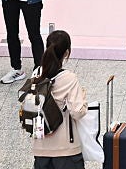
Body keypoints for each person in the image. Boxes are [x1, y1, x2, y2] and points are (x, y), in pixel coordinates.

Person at [32, 30, 89, 169]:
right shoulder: (69, 78)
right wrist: (84, 99)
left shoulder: (37, 73)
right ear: (67, 53)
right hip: (65, 149)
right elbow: (77, 112)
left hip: (41, 147)